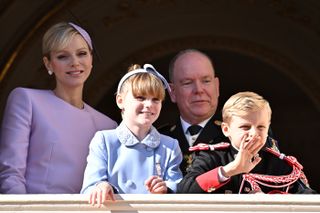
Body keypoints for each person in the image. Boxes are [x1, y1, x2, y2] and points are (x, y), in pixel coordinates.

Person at [0, 22, 117, 194]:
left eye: (82, 54)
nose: (75, 62)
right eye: (63, 56)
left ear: (91, 59)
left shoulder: (108, 126)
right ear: (48, 64)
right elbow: (10, 173)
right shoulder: (26, 100)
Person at [159, 49, 278, 175]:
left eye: (206, 81)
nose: (199, 90)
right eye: (188, 83)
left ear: (216, 86)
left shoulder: (246, 130)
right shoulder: (161, 138)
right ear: (172, 92)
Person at [80, 64, 183, 207]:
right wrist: (101, 186)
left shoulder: (170, 146)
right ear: (120, 101)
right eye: (140, 98)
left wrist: (166, 189)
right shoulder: (104, 140)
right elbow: (88, 189)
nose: (149, 104)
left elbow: (179, 188)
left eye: (155, 99)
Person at [177, 91, 316, 194]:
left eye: (261, 127)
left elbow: (310, 200)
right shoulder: (211, 157)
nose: (254, 133)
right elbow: (185, 191)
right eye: (245, 127)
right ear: (226, 129)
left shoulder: (278, 163)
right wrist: (231, 169)